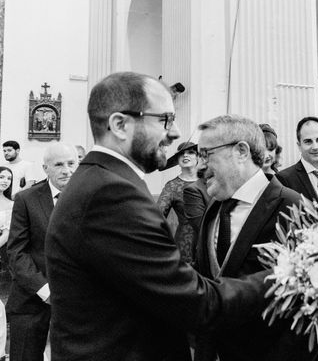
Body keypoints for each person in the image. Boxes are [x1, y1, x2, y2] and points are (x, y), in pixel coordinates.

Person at [44, 72, 269, 360]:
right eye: (164, 119)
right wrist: (286, 278)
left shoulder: (101, 180)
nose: (175, 132)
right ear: (120, 125)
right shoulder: (111, 194)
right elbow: (197, 303)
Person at [193, 115, 316, 361]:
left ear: (241, 151)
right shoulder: (214, 207)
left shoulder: (294, 207)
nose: (199, 166)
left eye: (206, 154)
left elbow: (308, 304)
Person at [7, 143, 78, 361]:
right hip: (31, 298)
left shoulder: (91, 198)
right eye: (58, 165)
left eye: (71, 163)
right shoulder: (26, 199)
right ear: (45, 168)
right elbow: (16, 252)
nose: (66, 170)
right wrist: (44, 290)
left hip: (77, 302)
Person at [157, 141, 200, 263]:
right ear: (177, 160)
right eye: (182, 154)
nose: (186, 156)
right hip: (185, 242)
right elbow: (157, 217)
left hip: (211, 240)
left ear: (198, 157)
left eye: (191, 152)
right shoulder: (172, 186)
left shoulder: (209, 182)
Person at [0, 167, 12, 361]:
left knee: (3, 306)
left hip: (3, 258)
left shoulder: (12, 204)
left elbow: (7, 233)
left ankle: (2, 352)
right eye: (2, 176)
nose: (5, 181)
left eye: (9, 178)